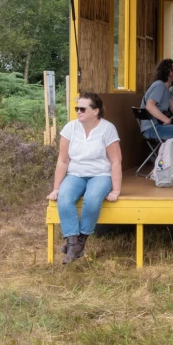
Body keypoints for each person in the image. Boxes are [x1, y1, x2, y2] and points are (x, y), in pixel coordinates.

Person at [47, 92, 121, 264]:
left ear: (95, 111)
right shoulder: (70, 128)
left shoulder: (107, 129)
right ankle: (73, 244)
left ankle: (80, 242)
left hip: (101, 174)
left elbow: (116, 160)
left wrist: (116, 189)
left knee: (93, 198)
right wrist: (56, 188)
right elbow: (63, 160)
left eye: (82, 108)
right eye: (76, 108)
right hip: (76, 174)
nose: (78, 111)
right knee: (64, 198)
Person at [139, 59, 173, 145]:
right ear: (169, 72)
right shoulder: (159, 85)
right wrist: (166, 120)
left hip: (156, 126)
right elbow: (150, 106)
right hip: (152, 128)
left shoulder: (165, 88)